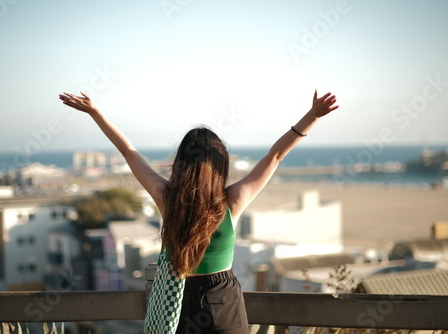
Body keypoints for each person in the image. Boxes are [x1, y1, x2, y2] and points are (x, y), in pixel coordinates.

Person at [59, 89, 338, 333]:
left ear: (180, 163)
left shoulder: (166, 197)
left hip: (176, 305)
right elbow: (275, 156)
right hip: (223, 303)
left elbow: (129, 152)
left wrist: (95, 112)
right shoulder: (233, 201)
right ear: (219, 167)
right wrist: (312, 116)